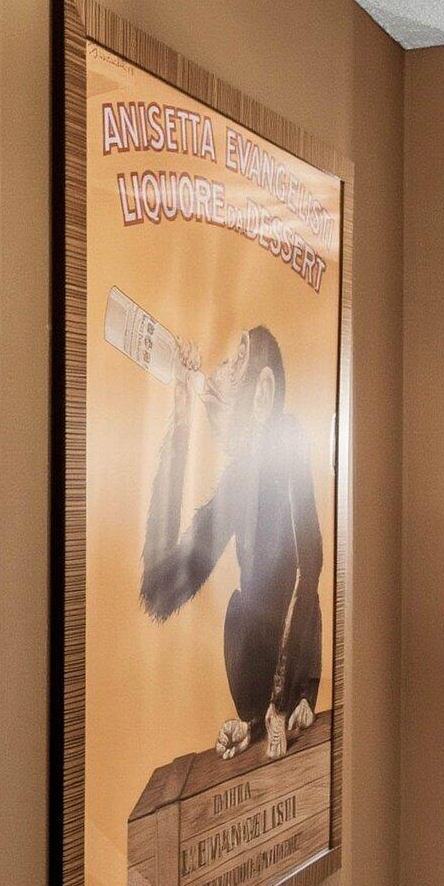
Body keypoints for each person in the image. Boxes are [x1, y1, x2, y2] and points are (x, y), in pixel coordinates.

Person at [138, 323, 323, 759]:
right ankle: (255, 721)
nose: (218, 370)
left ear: (260, 394)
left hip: (297, 673)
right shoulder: (238, 482)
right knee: (238, 610)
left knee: (296, 589)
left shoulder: (287, 435)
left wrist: (283, 700)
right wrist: (180, 421)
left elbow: (308, 564)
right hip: (263, 692)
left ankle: (279, 710)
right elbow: (160, 591)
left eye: (234, 361)